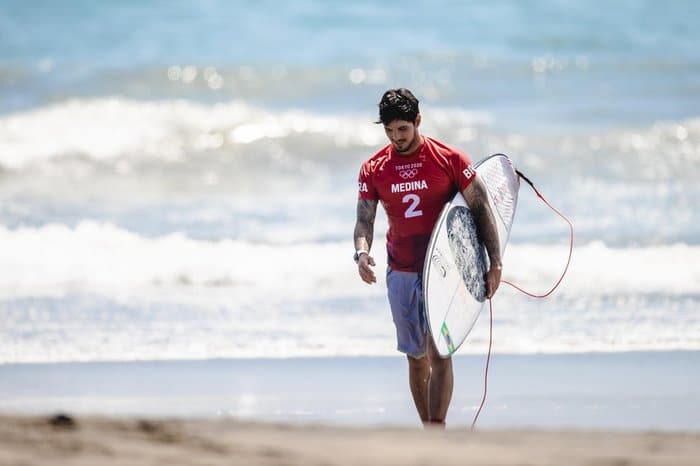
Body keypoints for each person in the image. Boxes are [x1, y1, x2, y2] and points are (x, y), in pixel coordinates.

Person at [353, 88, 502, 428]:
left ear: (418, 121)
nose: (396, 138)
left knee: (439, 352)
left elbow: (481, 209)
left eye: (403, 129)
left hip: (443, 270)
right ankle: (428, 431)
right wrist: (361, 253)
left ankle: (437, 428)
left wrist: (494, 262)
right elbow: (364, 220)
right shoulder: (374, 168)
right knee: (415, 357)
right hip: (401, 269)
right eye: (389, 131)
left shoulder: (449, 159)